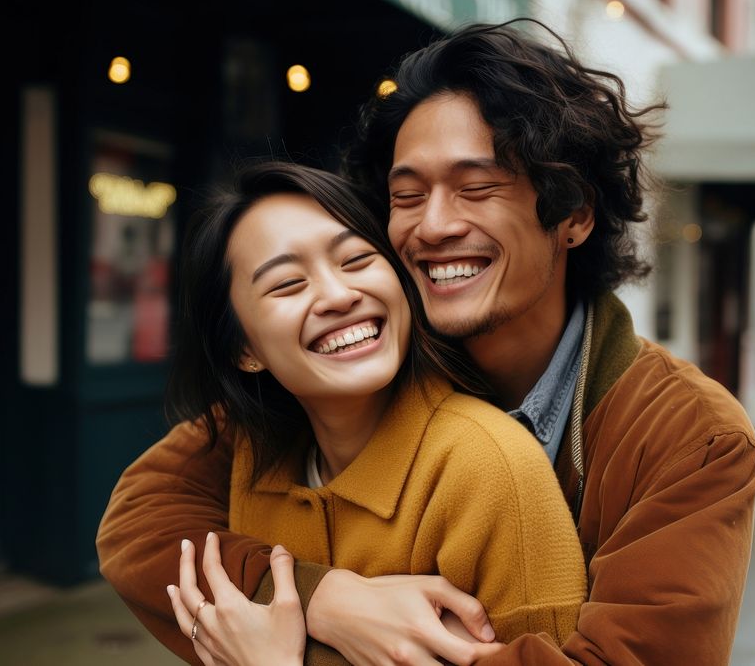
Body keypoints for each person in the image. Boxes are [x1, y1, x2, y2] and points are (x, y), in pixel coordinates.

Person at [97, 18, 755, 665]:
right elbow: (141, 521)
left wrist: (289, 650)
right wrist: (319, 595)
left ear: (574, 212)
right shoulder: (349, 376)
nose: (435, 225)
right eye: (407, 195)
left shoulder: (689, 436)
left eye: (476, 187)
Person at [100, 160, 587, 665]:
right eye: (287, 284)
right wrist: (320, 599)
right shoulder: (253, 453)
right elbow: (131, 526)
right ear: (245, 349)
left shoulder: (489, 467)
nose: (337, 296)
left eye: (356, 260)